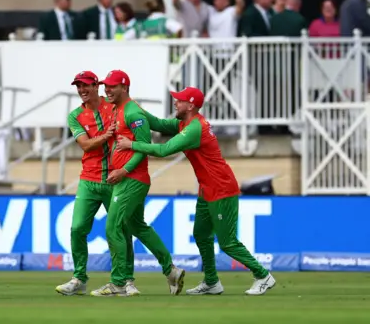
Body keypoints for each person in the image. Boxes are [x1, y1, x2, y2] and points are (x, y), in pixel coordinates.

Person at [115, 87, 276, 296]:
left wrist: (132, 144)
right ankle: (211, 282)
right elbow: (158, 124)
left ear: (190, 105)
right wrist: (132, 107)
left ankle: (263, 276)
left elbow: (164, 150)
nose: (175, 103)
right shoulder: (185, 123)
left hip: (221, 188)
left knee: (228, 243)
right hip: (207, 188)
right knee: (200, 234)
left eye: (179, 100)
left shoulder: (194, 129)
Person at [90, 70, 185, 297]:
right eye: (106, 86)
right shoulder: (120, 109)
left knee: (113, 227)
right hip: (129, 179)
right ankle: (171, 271)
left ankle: (119, 284)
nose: (107, 90)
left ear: (125, 87)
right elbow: (162, 123)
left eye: (112, 86)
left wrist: (123, 170)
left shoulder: (133, 113)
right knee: (136, 226)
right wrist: (182, 124)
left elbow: (143, 147)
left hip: (131, 180)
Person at [55, 71, 138, 296]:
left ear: (96, 86)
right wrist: (106, 135)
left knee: (121, 229)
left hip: (115, 180)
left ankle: (127, 279)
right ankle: (79, 278)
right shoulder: (75, 116)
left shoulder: (113, 107)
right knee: (77, 228)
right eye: (78, 86)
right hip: (89, 180)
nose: (82, 90)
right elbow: (85, 145)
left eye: (86, 86)